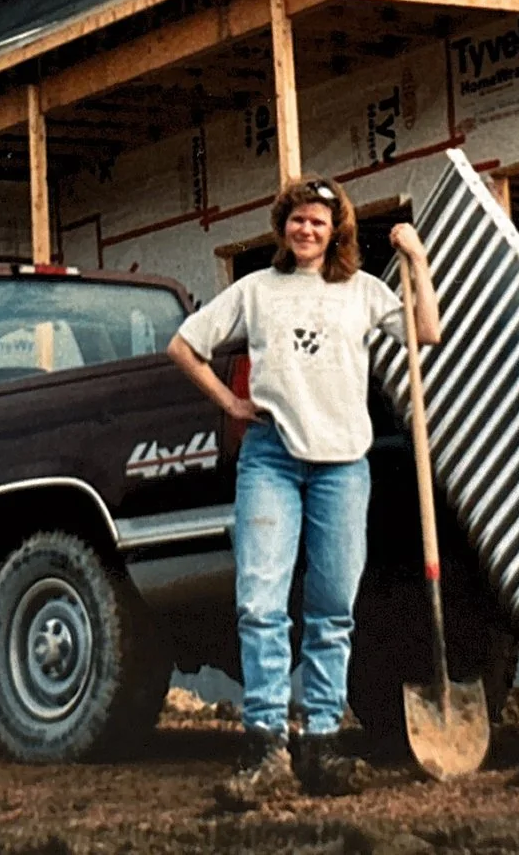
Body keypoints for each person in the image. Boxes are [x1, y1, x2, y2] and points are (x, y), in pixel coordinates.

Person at [167, 176, 440, 801]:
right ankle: (264, 743)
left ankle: (322, 743)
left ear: (335, 229)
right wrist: (231, 403)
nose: (308, 230)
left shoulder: (363, 292)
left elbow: (426, 333)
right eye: (298, 220)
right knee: (261, 604)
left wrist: (418, 261)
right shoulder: (256, 292)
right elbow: (184, 346)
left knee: (332, 609)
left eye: (319, 221)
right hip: (272, 460)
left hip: (344, 465)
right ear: (282, 227)